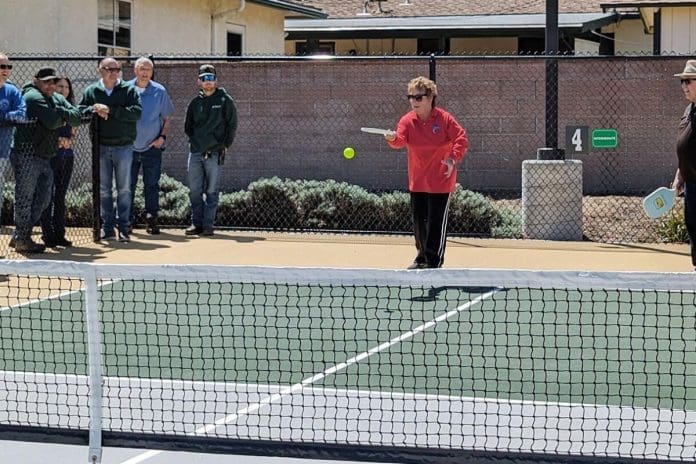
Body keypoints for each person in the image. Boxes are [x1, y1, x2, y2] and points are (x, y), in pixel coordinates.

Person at [384, 76, 468, 269]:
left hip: (441, 181)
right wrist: (391, 138)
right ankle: (421, 258)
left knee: (436, 224)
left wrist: (452, 159)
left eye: (419, 97)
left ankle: (433, 262)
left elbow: (461, 139)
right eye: (411, 97)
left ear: (430, 97)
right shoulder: (407, 121)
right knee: (419, 224)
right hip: (418, 181)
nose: (414, 101)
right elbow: (400, 141)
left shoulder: (444, 119)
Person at [11, 67, 81, 253]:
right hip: (26, 155)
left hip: (44, 156)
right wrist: (62, 114)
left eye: (53, 82)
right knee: (25, 198)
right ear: (36, 80)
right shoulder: (32, 97)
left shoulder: (54, 97)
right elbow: (52, 122)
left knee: (43, 199)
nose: (51, 85)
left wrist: (61, 113)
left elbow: (76, 117)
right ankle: (22, 238)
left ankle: (20, 234)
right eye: (46, 82)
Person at [79, 57, 142, 243]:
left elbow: (136, 112)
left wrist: (111, 110)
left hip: (124, 146)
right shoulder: (92, 91)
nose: (114, 73)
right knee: (104, 189)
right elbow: (80, 111)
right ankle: (107, 228)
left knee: (124, 189)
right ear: (100, 70)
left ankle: (124, 228)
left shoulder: (129, 90)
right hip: (101, 147)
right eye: (110, 69)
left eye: (117, 69)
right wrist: (94, 108)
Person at [183, 64, 237, 236]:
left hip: (214, 153)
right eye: (204, 78)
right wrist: (196, 141)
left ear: (216, 80)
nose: (208, 82)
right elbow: (188, 127)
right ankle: (196, 224)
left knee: (212, 190)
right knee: (194, 190)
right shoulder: (194, 102)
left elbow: (232, 124)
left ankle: (208, 225)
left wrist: (224, 145)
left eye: (211, 78)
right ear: (199, 81)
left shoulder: (224, 100)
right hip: (196, 152)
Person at [127, 57, 174, 235]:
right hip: (128, 148)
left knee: (152, 185)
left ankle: (151, 220)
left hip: (152, 149)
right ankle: (125, 221)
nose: (145, 72)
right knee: (126, 185)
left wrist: (162, 137)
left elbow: (167, 118)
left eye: (149, 69)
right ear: (135, 70)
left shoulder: (159, 91)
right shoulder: (125, 89)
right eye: (142, 68)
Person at [40, 76, 77, 247]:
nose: (63, 90)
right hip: (50, 156)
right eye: (59, 86)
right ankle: (47, 235)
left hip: (66, 156)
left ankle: (59, 234)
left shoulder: (71, 109)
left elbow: (74, 130)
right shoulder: (49, 105)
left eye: (66, 87)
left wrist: (69, 139)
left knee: (60, 197)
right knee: (47, 195)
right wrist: (56, 140)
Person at [672, 59, 696, 270]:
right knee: (694, 229)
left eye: (688, 81)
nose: (684, 86)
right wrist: (680, 175)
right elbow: (686, 146)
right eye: (682, 82)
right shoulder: (689, 110)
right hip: (691, 185)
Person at [0, 53, 26, 231]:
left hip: (2, 148)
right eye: (2, 66)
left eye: (8, 67)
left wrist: (5, 117)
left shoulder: (12, 91)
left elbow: (22, 112)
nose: (6, 70)